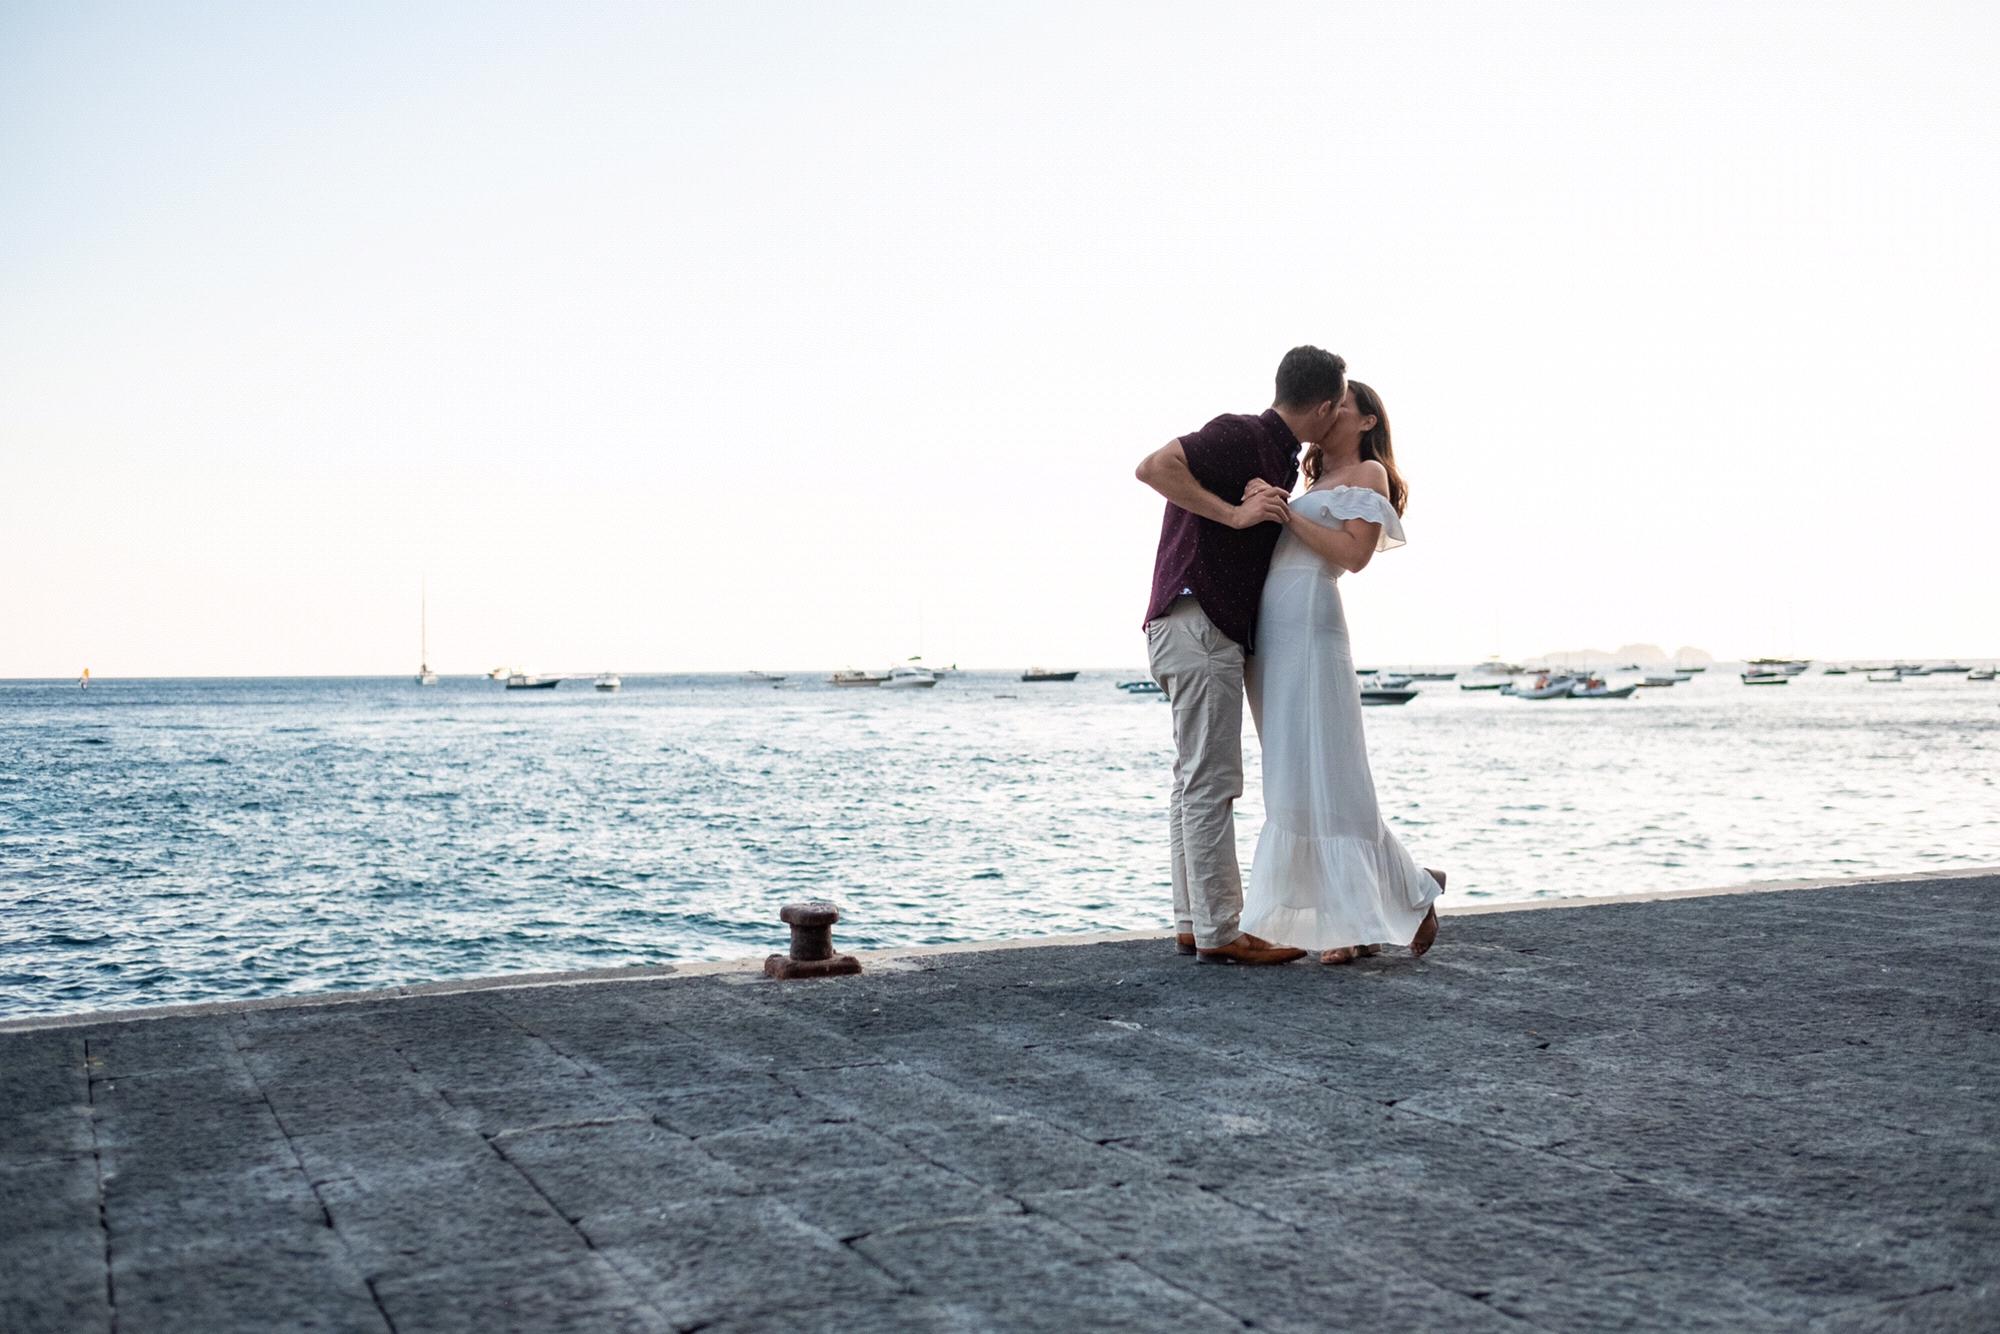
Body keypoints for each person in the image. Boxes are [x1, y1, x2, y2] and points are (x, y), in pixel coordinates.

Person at [1133, 346, 1346, 965]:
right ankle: (1223, 932)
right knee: (1213, 781)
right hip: (1197, 622)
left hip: (1188, 626)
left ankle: (1192, 922)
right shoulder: (1242, 433)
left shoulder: (1273, 453)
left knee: (1191, 780)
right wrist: (1234, 513)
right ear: (1328, 407)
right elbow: (1153, 467)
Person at [1238, 381, 1445, 964]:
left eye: (1342, 405)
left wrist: (1286, 515)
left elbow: (1352, 557)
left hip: (1312, 619)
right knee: (1293, 774)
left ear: (1365, 419)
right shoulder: (1310, 481)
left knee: (1333, 769)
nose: (1329, 413)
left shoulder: (1369, 475)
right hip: (1273, 629)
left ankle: (1355, 922)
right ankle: (1409, 885)